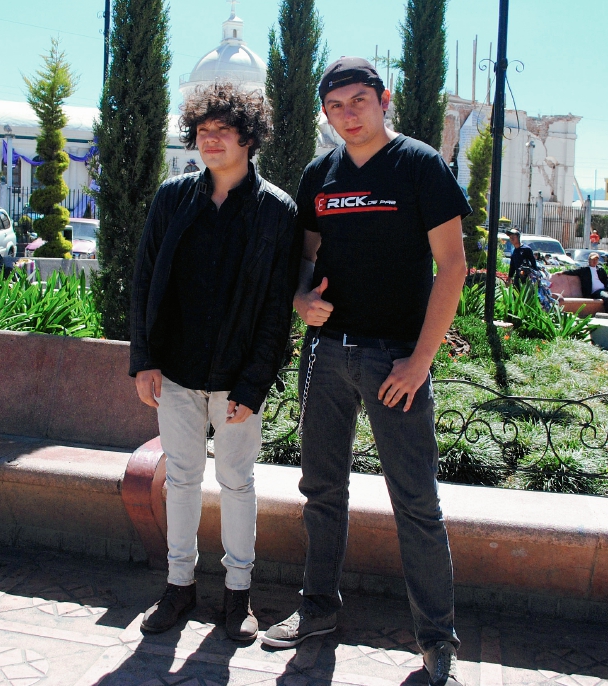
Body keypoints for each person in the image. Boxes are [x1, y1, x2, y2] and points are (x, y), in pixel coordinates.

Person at [267, 57, 469, 686]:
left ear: (385, 100)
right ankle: (318, 612)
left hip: (393, 361)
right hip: (327, 357)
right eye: (335, 107)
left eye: (359, 101)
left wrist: (420, 361)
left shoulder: (420, 167)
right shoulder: (318, 176)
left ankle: (437, 641)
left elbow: (453, 268)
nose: (348, 115)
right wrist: (301, 300)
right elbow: (302, 259)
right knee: (321, 493)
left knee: (416, 503)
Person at [128, 82, 296, 642]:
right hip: (175, 371)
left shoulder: (276, 211)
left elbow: (276, 308)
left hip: (237, 379)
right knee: (179, 479)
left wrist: (255, 382)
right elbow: (146, 280)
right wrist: (145, 360)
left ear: (249, 137)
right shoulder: (174, 197)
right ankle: (179, 588)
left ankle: (237, 597)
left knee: (236, 483)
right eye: (203, 131)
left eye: (223, 131)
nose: (211, 140)